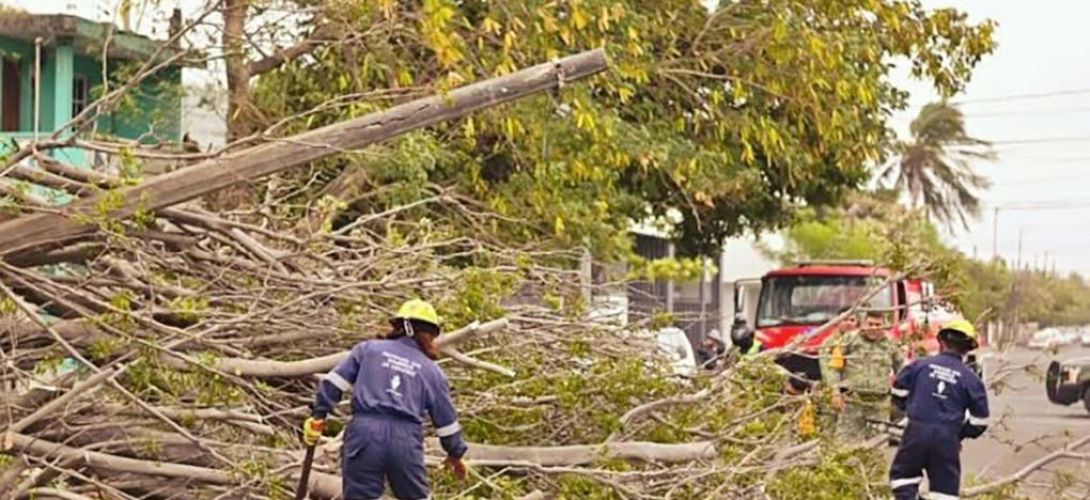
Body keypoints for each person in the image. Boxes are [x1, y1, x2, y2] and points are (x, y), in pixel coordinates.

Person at [302, 299, 468, 500]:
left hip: (364, 435)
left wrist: (318, 416)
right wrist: (455, 454)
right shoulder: (432, 372)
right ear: (431, 334)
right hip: (405, 441)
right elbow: (446, 422)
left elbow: (333, 384)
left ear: (398, 326)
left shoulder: (368, 350)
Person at [888, 319, 989, 500]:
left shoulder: (919, 366)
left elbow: (897, 392)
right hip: (947, 439)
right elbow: (980, 422)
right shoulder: (971, 379)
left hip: (915, 433)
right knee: (945, 493)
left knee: (903, 478)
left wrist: (911, 410)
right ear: (968, 349)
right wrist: (958, 434)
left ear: (941, 342)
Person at [819, 309, 902, 443]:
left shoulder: (891, 343)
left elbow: (902, 369)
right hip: (852, 402)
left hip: (879, 404)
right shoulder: (848, 340)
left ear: (884, 325)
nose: (874, 328)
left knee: (877, 449)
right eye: (870, 324)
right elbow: (834, 367)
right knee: (845, 448)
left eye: (877, 324)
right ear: (863, 323)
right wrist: (835, 392)